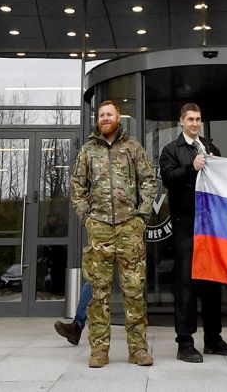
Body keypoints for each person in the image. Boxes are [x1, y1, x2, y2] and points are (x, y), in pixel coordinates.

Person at [70, 100, 158, 368]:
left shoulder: (133, 147)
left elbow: (149, 181)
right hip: (100, 229)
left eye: (109, 114)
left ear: (119, 117)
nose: (105, 118)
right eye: (101, 115)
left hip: (129, 228)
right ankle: (99, 350)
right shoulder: (88, 150)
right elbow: (77, 186)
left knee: (134, 291)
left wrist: (142, 216)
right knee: (98, 292)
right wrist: (87, 217)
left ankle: (138, 349)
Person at [159, 102, 227, 362]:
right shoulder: (171, 150)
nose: (194, 123)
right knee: (186, 284)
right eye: (190, 119)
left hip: (211, 225)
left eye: (198, 119)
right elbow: (168, 179)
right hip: (186, 225)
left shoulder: (211, 147)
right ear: (181, 121)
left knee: (212, 283)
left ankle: (213, 339)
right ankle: (184, 342)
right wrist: (191, 167)